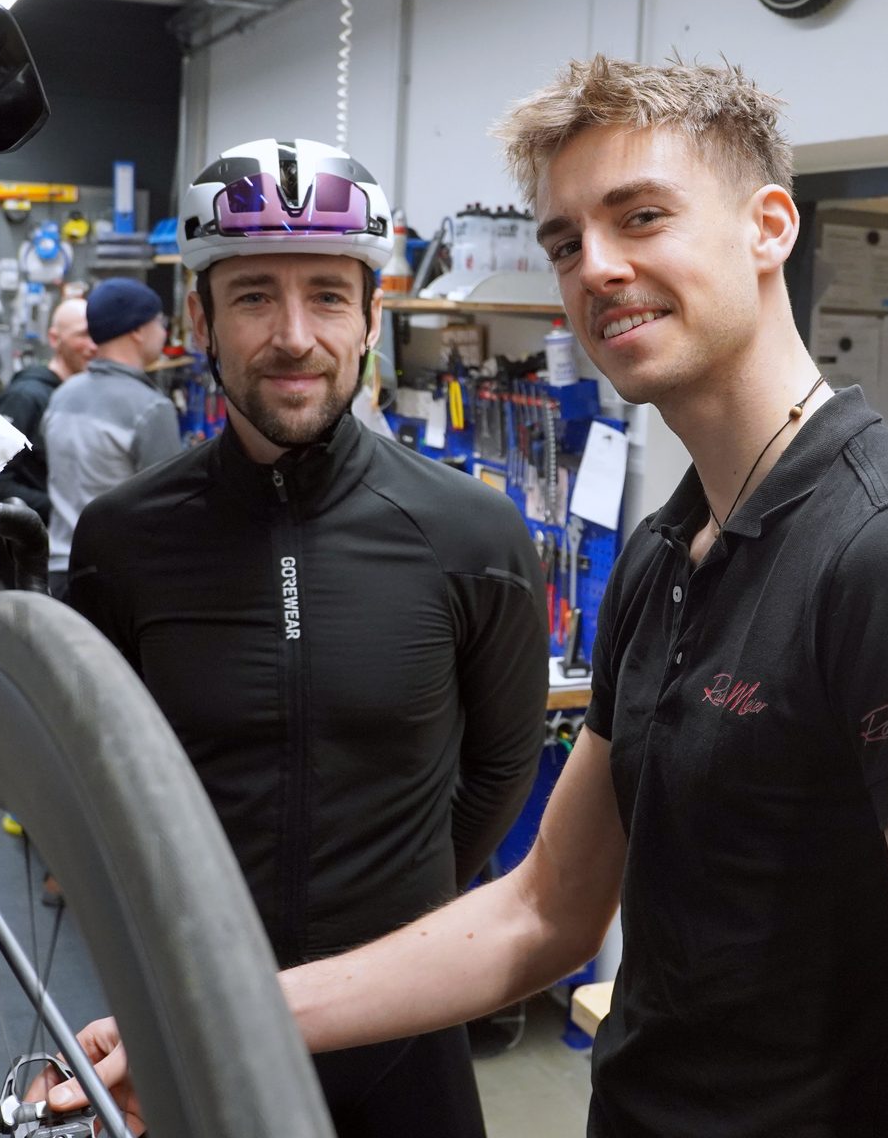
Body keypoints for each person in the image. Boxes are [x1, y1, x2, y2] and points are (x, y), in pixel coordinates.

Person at [51, 63, 888, 1137]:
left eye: (642, 216)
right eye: (565, 241)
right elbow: (545, 909)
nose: (600, 267)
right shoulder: (667, 554)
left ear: (770, 227)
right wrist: (209, 1012)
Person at [62, 138, 548, 1136]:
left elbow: (500, 765)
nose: (294, 334)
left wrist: (400, 923)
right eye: (252, 297)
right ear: (198, 319)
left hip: (406, 1042)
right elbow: (93, 786)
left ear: (371, 316)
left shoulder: (475, 535)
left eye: (328, 294)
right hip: (194, 1030)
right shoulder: (122, 541)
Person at [40, 277, 180, 597]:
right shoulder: (150, 408)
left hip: (59, 573)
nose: (164, 333)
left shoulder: (62, 395)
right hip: (119, 581)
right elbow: (170, 511)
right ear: (137, 330)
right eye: (160, 323)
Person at [0, 296, 94, 522]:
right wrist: (63, 509)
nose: (93, 346)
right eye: (83, 335)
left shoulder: (80, 397)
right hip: (21, 545)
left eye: (97, 335)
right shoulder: (25, 397)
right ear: (55, 338)